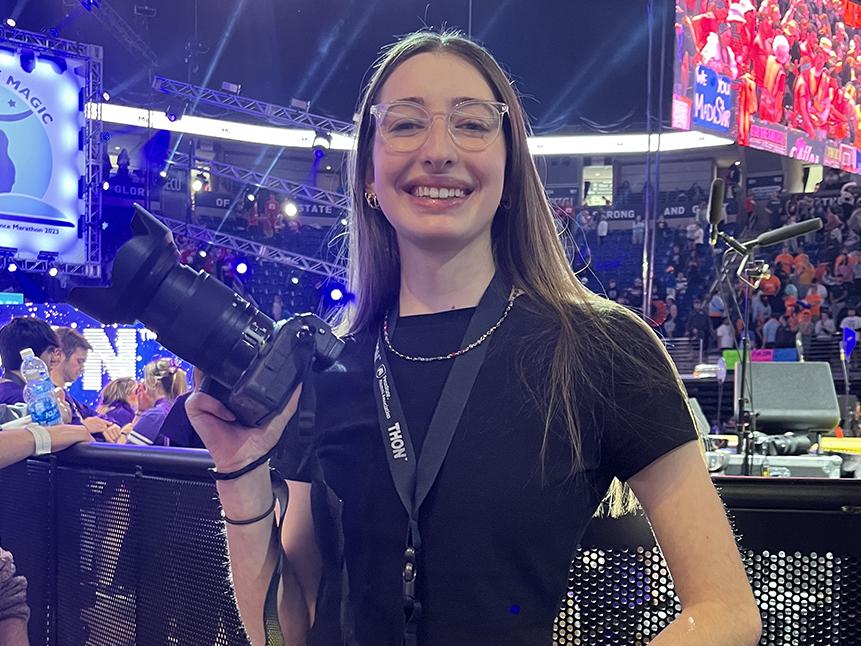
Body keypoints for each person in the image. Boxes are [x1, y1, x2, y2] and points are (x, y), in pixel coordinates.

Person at [187, 30, 761, 646]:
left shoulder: (601, 349)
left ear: (511, 170)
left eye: (472, 123)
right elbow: (287, 634)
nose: (438, 151)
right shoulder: (329, 370)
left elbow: (726, 611)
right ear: (369, 179)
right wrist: (240, 471)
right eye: (406, 124)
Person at [120, 359, 188, 446]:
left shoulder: (155, 416)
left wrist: (123, 434)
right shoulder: (178, 411)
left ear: (153, 382)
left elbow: (128, 456)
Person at [0, 317, 60, 405]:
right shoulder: (23, 400)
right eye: (50, 351)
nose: (54, 359)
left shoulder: (5, 391)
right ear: (30, 356)